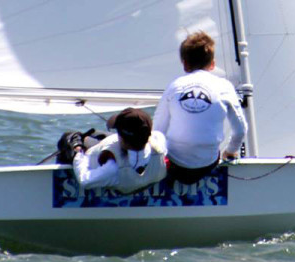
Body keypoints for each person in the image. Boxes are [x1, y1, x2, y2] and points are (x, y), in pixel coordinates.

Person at [154, 31, 247, 185]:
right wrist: (230, 151)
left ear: (184, 64)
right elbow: (240, 130)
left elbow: (158, 131)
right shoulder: (224, 86)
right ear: (212, 64)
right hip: (207, 163)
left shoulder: (174, 86)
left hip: (174, 164)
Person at [66, 107, 167, 193]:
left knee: (71, 137)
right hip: (148, 176)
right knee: (98, 135)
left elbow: (85, 180)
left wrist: (78, 153)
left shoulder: (112, 168)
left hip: (119, 176)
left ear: (122, 138)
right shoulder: (160, 142)